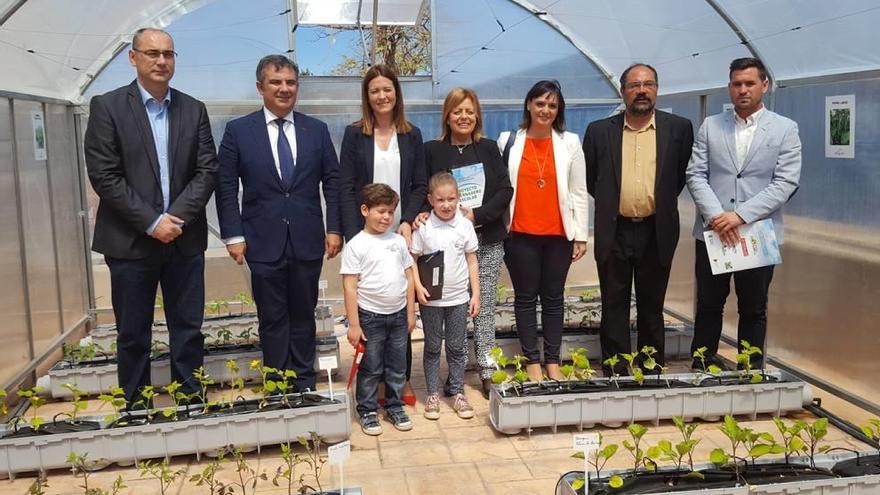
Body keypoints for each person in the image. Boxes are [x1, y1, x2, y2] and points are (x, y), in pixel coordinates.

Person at [84, 28, 217, 406]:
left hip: (183, 238)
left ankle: (192, 401)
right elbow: (104, 176)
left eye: (169, 54)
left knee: (188, 328)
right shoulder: (108, 107)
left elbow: (207, 169)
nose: (161, 61)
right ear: (133, 58)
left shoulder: (193, 109)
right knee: (133, 332)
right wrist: (150, 221)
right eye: (153, 53)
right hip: (129, 242)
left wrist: (174, 217)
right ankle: (136, 407)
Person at [215, 55, 342, 391]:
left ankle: (304, 383)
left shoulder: (316, 130)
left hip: (306, 239)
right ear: (260, 87)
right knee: (272, 318)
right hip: (261, 240)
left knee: (304, 314)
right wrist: (232, 235)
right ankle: (277, 384)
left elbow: (332, 181)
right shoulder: (239, 131)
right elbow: (226, 186)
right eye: (276, 82)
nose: (285, 89)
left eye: (290, 82)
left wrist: (334, 228)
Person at [686, 57, 801, 370]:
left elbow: (786, 182)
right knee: (709, 304)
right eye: (737, 84)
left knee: (753, 307)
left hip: (756, 234)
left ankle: (750, 369)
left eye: (749, 83)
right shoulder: (711, 125)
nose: (743, 90)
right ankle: (703, 364)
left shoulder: (784, 129)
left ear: (764, 85)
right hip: (713, 232)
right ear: (729, 88)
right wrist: (716, 216)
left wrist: (739, 216)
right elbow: (695, 173)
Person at [583, 63, 694, 373]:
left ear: (657, 89)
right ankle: (616, 373)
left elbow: (679, 176)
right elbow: (593, 180)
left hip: (655, 230)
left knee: (652, 307)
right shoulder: (599, 131)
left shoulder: (679, 129)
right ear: (623, 92)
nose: (642, 90)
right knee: (613, 305)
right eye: (634, 85)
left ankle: (650, 371)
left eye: (648, 84)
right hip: (614, 230)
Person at [339, 64, 427, 403]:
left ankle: (400, 381)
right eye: (374, 90)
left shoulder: (412, 134)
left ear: (396, 93)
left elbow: (420, 182)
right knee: (369, 311)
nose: (381, 96)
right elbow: (346, 187)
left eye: (387, 89)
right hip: (366, 234)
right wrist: (352, 234)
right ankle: (371, 382)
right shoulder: (354, 134)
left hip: (399, 234)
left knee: (397, 306)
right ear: (367, 96)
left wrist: (405, 220)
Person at [421, 87, 513, 398]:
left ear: (477, 116)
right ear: (447, 115)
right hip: (443, 247)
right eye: (457, 111)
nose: (464, 117)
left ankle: (487, 370)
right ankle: (453, 373)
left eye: (470, 111)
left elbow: (504, 190)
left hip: (484, 240)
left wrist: (477, 215)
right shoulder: (432, 150)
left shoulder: (488, 148)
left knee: (482, 306)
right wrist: (419, 216)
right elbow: (421, 189)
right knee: (447, 311)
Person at [498, 80, 589, 382]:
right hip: (519, 234)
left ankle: (552, 360)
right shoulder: (508, 141)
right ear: (528, 105)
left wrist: (580, 234)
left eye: (552, 105)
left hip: (557, 235)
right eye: (540, 103)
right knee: (524, 299)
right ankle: (530, 360)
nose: (545, 110)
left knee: (553, 299)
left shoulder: (570, 142)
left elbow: (578, 191)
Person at [341, 183, 416, 435]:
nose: (386, 217)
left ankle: (394, 405)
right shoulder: (356, 245)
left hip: (397, 316)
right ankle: (367, 410)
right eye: (381, 211)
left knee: (397, 366)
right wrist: (354, 324)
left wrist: (409, 313)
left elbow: (408, 276)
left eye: (390, 212)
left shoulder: (397, 242)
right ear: (365, 210)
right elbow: (350, 286)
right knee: (371, 367)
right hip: (370, 317)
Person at [411, 173, 480, 419]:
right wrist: (418, 288)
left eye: (451, 199)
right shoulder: (424, 226)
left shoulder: (464, 225)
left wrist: (475, 294)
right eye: (440, 200)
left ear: (458, 198)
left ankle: (458, 393)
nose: (446, 205)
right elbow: (413, 259)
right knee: (431, 346)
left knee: (455, 347)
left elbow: (472, 260)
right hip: (431, 300)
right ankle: (432, 394)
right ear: (430, 199)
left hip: (458, 299)